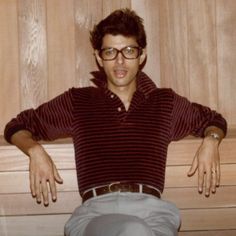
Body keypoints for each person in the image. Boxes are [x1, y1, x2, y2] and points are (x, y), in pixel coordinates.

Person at [4, 8, 227, 236]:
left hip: (154, 215)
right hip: (96, 216)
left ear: (142, 55)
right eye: (110, 51)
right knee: (134, 231)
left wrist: (211, 140)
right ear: (99, 57)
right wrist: (35, 151)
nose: (120, 61)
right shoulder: (78, 102)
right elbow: (17, 126)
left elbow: (213, 120)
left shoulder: (164, 103)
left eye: (129, 51)